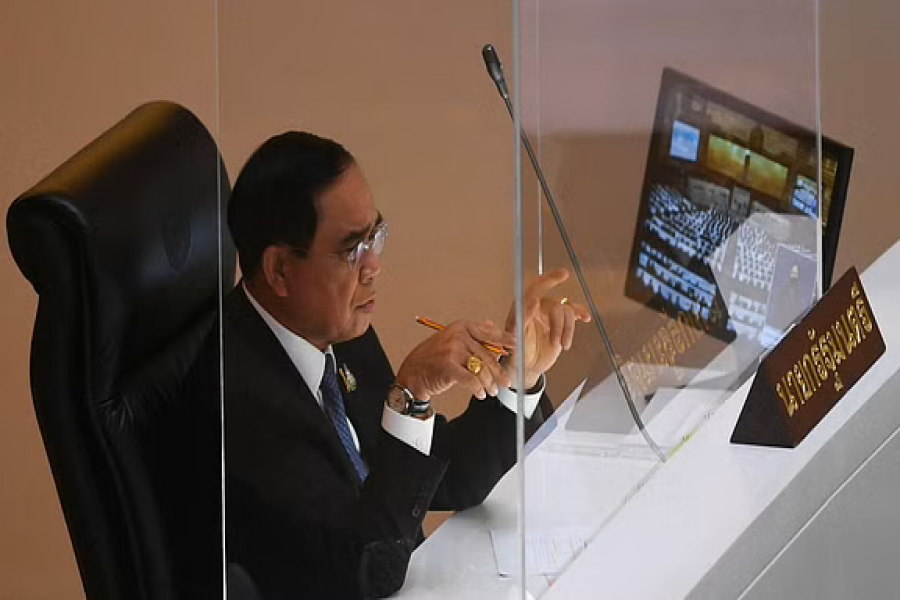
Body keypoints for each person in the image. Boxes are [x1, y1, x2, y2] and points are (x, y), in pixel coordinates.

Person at [220, 131, 589, 599]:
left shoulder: (334, 331)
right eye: (352, 249)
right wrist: (410, 398)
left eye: (375, 236)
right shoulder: (240, 397)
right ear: (279, 270)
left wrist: (518, 377)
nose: (373, 266)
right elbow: (365, 572)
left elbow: (441, 479)